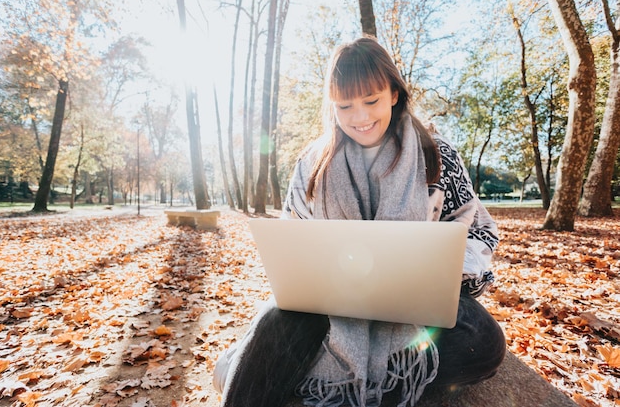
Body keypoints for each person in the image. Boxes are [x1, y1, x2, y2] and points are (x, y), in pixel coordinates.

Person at [213, 36, 505, 407]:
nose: (360, 117)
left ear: (394, 94)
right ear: (331, 105)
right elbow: (291, 236)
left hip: (414, 305)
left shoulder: (437, 155)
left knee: (483, 342)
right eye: (345, 105)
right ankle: (261, 365)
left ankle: (273, 372)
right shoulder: (312, 163)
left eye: (371, 101)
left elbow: (478, 230)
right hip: (330, 305)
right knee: (275, 320)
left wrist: (443, 274)